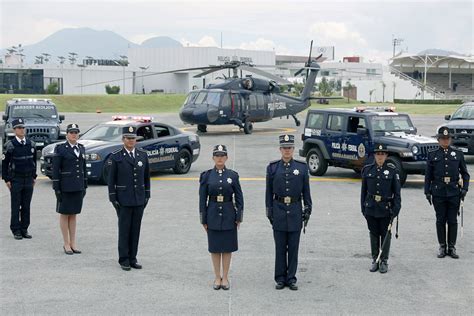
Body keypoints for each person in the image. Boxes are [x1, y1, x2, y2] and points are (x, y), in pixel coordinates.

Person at [266, 135, 312, 290]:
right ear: (280, 150)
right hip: (278, 210)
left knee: (293, 247)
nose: (287, 151)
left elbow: (306, 191)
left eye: (289, 148)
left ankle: (291, 278)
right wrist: (269, 210)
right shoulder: (273, 168)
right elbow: (268, 192)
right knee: (280, 247)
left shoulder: (302, 167)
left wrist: (308, 208)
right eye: (284, 148)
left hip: (295, 211)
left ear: (293, 149)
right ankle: (280, 278)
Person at [199, 145, 243, 290]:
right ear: (213, 158)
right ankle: (217, 277)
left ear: (226, 158)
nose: (220, 158)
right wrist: (203, 219)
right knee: (215, 248)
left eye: (222, 156)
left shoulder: (232, 175)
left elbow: (239, 197)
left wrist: (239, 216)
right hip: (212, 214)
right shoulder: (206, 176)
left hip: (229, 214)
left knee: (227, 247)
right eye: (217, 155)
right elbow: (202, 199)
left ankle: (226, 277)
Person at [108, 126, 151, 271]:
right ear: (123, 140)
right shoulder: (116, 156)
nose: (131, 141)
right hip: (123, 199)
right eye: (128, 138)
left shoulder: (142, 155)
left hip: (139, 198)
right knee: (124, 229)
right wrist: (113, 198)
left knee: (135, 230)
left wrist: (147, 195)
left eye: (133, 138)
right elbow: (111, 179)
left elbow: (146, 177)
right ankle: (124, 259)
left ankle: (133, 258)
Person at [424, 126, 469, 259]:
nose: (445, 141)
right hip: (438, 191)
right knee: (440, 220)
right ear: (438, 140)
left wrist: (465, 189)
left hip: (454, 191)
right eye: (443, 139)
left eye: (447, 139)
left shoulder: (458, 154)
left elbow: (465, 174)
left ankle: (452, 246)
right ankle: (442, 246)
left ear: (450, 140)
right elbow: (428, 176)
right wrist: (427, 191)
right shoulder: (432, 155)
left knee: (452, 220)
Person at [360, 143, 401, 273]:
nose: (380, 157)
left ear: (386, 155)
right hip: (371, 207)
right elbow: (363, 192)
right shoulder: (367, 170)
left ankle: (383, 260)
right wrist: (363, 208)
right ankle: (375, 259)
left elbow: (397, 194)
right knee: (373, 233)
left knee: (385, 234)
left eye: (382, 154)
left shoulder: (392, 171)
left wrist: (396, 209)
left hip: (385, 208)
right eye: (378, 154)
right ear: (374, 155)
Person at [52, 124, 87, 255]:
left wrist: (85, 185)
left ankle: (73, 242)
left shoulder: (81, 148)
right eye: (71, 132)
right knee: (65, 214)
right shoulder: (61, 148)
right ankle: (66, 243)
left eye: (76, 132)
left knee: (73, 214)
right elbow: (56, 169)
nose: (74, 134)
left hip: (78, 186)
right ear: (67, 134)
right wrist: (57, 188)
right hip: (65, 187)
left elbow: (83, 169)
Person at [2, 118, 36, 240]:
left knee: (26, 206)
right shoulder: (10, 145)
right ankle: (16, 229)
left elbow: (33, 161)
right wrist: (6, 179)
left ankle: (24, 229)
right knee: (16, 206)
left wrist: (34, 176)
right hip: (16, 179)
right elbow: (4, 164)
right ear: (14, 130)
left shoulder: (31, 144)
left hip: (28, 180)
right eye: (19, 128)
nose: (22, 130)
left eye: (23, 127)